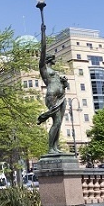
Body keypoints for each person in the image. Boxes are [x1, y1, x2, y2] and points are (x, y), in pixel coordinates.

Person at [37, 18, 69, 154]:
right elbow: (43, 49)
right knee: (56, 122)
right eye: (53, 58)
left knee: (59, 122)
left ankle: (55, 147)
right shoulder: (43, 68)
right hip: (52, 97)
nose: (55, 59)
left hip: (61, 96)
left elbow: (66, 85)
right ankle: (51, 148)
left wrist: (65, 81)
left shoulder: (56, 73)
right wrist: (43, 33)